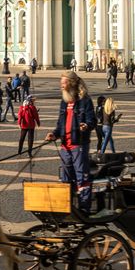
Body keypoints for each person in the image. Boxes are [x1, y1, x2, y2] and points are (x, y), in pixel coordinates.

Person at [45, 71, 96, 213]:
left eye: (64, 82)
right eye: (61, 82)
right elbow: (60, 123)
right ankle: (67, 206)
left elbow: (92, 120)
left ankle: (84, 208)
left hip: (78, 144)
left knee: (81, 175)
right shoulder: (64, 101)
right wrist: (54, 134)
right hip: (65, 146)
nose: (61, 85)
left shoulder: (85, 100)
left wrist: (86, 126)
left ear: (72, 83)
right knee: (65, 177)